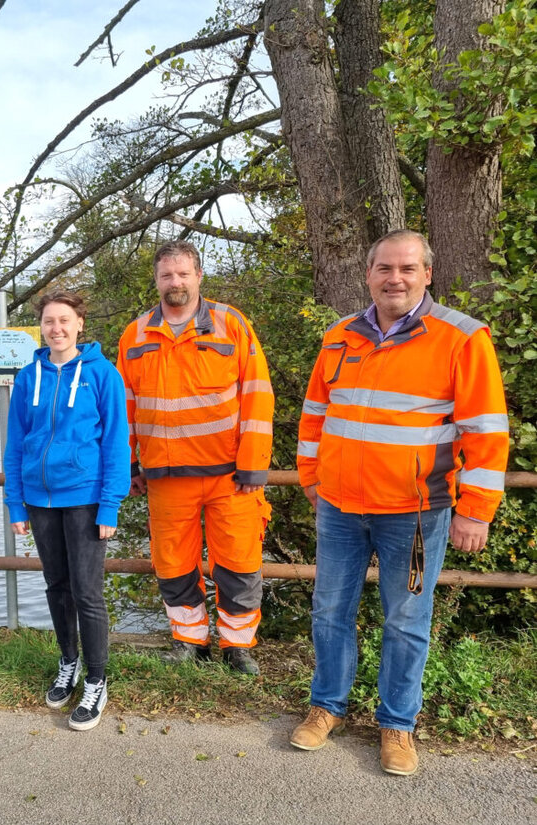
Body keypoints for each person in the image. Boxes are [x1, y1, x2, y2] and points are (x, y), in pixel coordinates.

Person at [291, 229, 509, 775]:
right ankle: (326, 707)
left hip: (415, 513)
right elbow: (316, 413)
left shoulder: (461, 337)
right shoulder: (340, 335)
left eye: (407, 269)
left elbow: (486, 431)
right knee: (329, 613)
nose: (395, 278)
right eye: (384, 268)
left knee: (406, 621)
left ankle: (397, 725)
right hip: (339, 506)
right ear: (368, 274)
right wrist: (311, 477)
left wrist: (476, 509)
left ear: (427, 274)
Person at [117, 240, 274, 675]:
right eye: (167, 275)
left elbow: (257, 395)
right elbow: (124, 407)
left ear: (199, 275)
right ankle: (189, 640)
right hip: (164, 476)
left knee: (239, 561)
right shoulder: (135, 334)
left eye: (184, 274)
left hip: (231, 474)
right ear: (156, 279)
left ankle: (237, 646)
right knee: (172, 562)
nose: (176, 282)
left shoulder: (231, 324)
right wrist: (128, 465)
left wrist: (254, 464)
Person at [3, 290, 130, 731]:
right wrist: (15, 501)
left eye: (64, 320)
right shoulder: (27, 377)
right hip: (39, 500)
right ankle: (69, 662)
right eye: (48, 321)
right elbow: (15, 445)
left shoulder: (102, 375)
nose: (56, 328)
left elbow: (116, 443)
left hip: (85, 497)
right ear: (40, 326)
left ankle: (96, 680)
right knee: (56, 585)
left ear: (79, 325)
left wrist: (109, 506)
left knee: (87, 592)